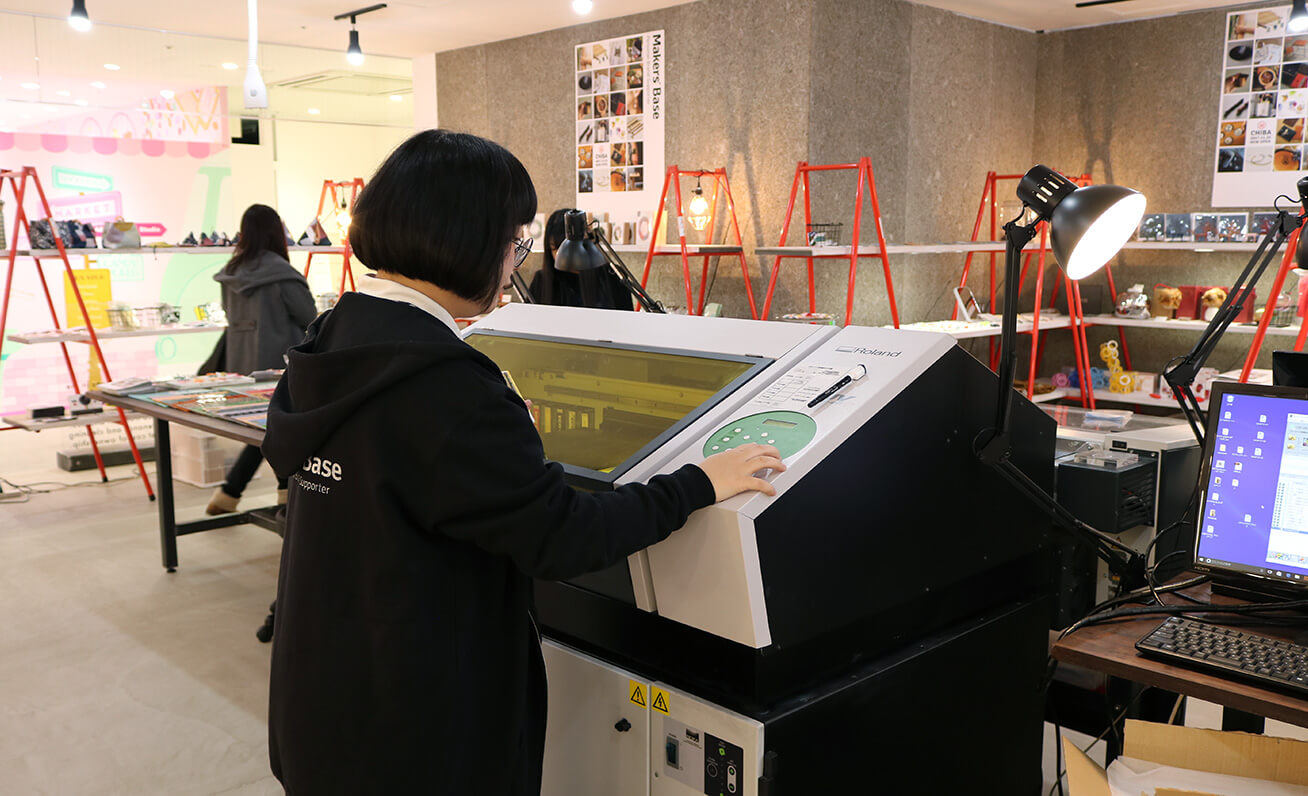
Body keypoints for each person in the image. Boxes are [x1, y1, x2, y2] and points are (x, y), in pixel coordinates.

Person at [260, 129, 784, 794]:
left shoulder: (334, 342)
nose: (516, 260)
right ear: (472, 239)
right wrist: (697, 483)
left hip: (326, 707)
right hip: (420, 739)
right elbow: (565, 537)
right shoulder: (445, 384)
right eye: (516, 240)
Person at [205, 204, 316, 516]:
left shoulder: (232, 273)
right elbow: (309, 318)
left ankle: (232, 493)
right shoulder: (282, 274)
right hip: (282, 366)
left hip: (243, 365)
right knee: (278, 431)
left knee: (268, 432)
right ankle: (278, 494)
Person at [528, 207, 634, 309]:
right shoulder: (542, 281)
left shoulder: (613, 276)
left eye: (567, 248)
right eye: (555, 249)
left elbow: (627, 321)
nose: (561, 255)